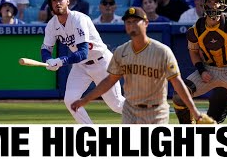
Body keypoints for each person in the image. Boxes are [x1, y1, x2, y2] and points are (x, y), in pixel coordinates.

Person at [71, 7, 206, 124]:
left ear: (146, 23)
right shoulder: (121, 52)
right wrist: (85, 100)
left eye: (136, 21)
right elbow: (108, 82)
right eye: (128, 22)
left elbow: (177, 83)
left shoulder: (162, 51)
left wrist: (194, 111)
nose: (132, 25)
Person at [40, 0, 125, 124]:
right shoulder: (51, 25)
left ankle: (147, 113)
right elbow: (45, 49)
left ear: (67, 1)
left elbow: (83, 52)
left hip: (102, 63)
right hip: (81, 66)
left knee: (116, 105)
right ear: (50, 5)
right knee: (70, 100)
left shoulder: (78, 19)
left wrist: (61, 61)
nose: (57, 3)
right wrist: (48, 60)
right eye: (54, 0)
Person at [172, 0, 227, 124]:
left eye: (217, 2)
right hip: (208, 69)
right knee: (179, 95)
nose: (213, 6)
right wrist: (201, 70)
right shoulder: (196, 29)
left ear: (223, 5)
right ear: (204, 5)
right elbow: (193, 52)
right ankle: (188, 131)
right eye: (210, 2)